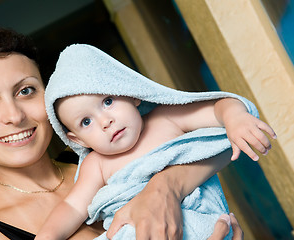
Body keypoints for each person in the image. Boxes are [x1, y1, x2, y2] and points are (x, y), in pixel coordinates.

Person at [0, 27, 245, 240]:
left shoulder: (100, 155)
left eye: (26, 91)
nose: (14, 116)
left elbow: (212, 145)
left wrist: (165, 187)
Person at [36, 44, 276, 239]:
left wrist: (234, 116)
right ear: (76, 139)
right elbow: (73, 207)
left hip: (195, 219)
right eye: (86, 121)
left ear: (130, 94)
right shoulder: (96, 164)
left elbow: (217, 108)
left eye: (108, 101)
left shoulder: (166, 119)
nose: (105, 121)